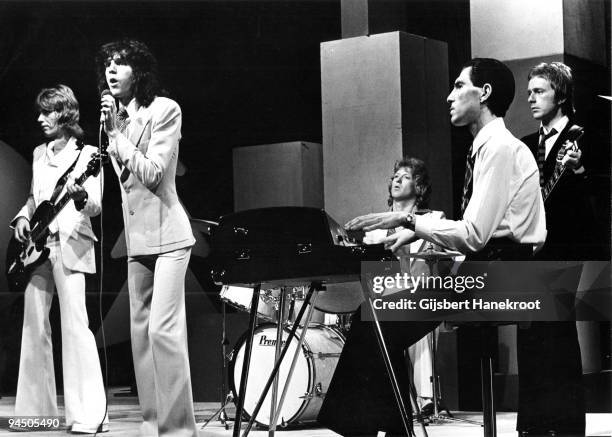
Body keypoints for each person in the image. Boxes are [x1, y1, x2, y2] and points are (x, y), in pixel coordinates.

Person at [346, 59, 553, 435]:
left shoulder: (500, 148)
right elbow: (477, 231)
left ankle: (384, 431)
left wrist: (407, 220)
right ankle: (394, 430)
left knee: (372, 320)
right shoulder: (486, 147)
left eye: (459, 86)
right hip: (491, 268)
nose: (449, 96)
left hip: (504, 274)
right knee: (372, 318)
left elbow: (474, 234)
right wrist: (414, 232)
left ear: (484, 93)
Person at [95, 39, 198, 437]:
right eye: (107, 64)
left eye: (120, 63)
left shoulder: (165, 110)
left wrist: (117, 138)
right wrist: (113, 133)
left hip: (170, 237)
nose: (111, 70)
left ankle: (179, 429)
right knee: (140, 337)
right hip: (138, 241)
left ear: (138, 71)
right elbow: (124, 181)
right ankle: (151, 423)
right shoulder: (117, 120)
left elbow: (154, 173)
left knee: (163, 332)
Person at [318, 157, 444, 435]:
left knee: (371, 325)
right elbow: (372, 278)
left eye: (405, 176)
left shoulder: (434, 219)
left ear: (420, 186)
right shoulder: (374, 228)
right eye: (394, 176)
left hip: (422, 298)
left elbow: (442, 261)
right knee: (377, 334)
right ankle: (395, 428)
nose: (396, 180)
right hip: (384, 302)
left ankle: (356, 425)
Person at [11, 85, 107, 434]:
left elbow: (94, 205)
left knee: (75, 328)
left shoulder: (89, 155)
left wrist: (81, 198)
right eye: (39, 112)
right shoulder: (39, 153)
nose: (40, 118)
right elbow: (37, 199)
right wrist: (22, 217)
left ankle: (88, 416)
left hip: (72, 243)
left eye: (46, 112)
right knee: (34, 328)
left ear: (64, 113)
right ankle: (36, 414)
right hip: (38, 249)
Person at [515, 61, 586, 436]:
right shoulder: (525, 145)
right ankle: (532, 424)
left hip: (562, 250)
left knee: (557, 333)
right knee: (528, 334)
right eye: (529, 92)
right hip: (528, 253)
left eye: (539, 91)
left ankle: (567, 425)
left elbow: (596, 198)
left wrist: (578, 173)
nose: (531, 98)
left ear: (560, 94)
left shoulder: (582, 137)